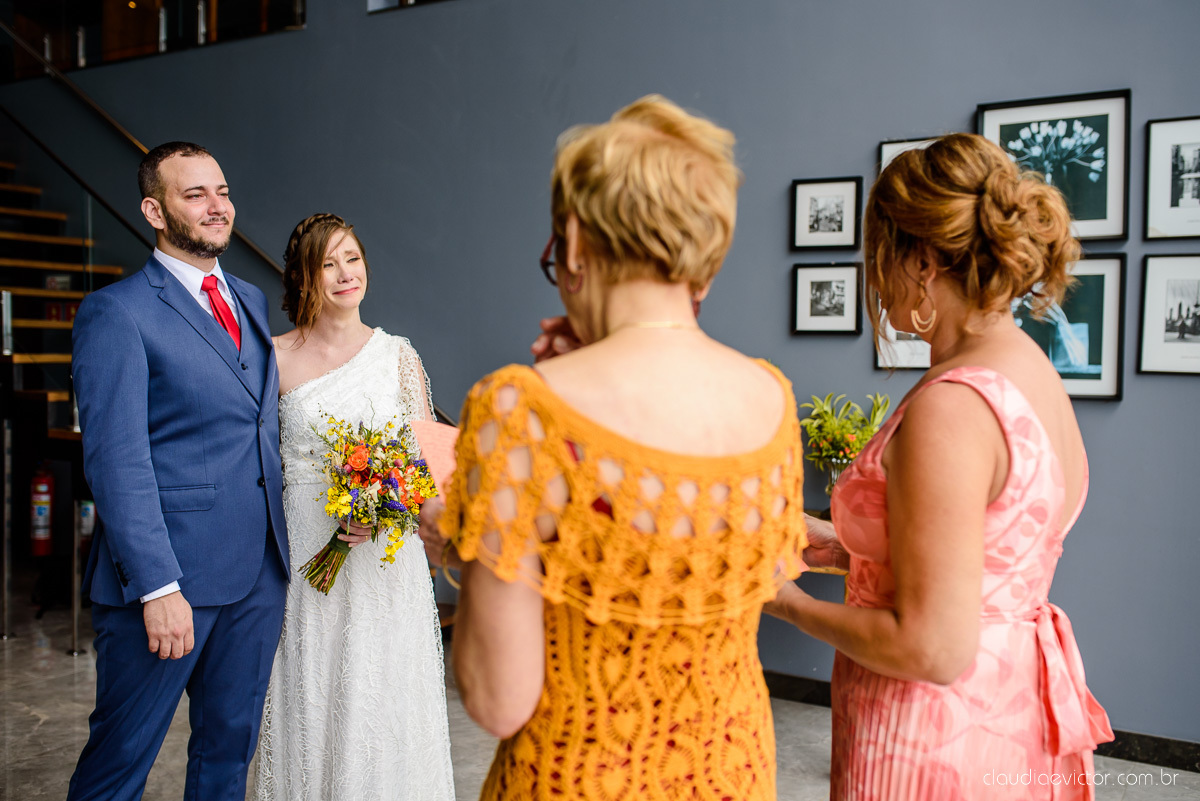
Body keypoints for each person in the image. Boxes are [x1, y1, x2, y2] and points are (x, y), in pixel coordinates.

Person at [423, 94, 808, 800]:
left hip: (580, 777)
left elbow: (496, 698)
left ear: (573, 240)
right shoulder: (774, 401)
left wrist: (462, 536)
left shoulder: (521, 410)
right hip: (734, 772)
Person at [765, 133, 1113, 799]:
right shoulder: (1030, 369)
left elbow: (931, 645)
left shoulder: (950, 406)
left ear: (921, 259)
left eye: (878, 256)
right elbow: (983, 560)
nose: (873, 277)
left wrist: (784, 600)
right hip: (1007, 708)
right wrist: (842, 549)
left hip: (930, 738)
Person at [68, 142, 289, 801]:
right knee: (120, 763)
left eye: (221, 190)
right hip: (168, 585)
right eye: (194, 194)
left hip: (257, 575)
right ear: (154, 210)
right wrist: (158, 586)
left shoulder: (248, 297)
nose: (216, 205)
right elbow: (116, 460)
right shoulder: (118, 312)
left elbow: (255, 427)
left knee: (228, 755)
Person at [253, 213, 454, 801]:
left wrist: (393, 502)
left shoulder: (399, 357)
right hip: (306, 549)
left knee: (382, 699)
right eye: (328, 263)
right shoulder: (274, 358)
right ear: (304, 277)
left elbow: (429, 470)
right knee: (311, 691)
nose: (346, 274)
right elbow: (256, 467)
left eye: (354, 259)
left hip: (385, 565)